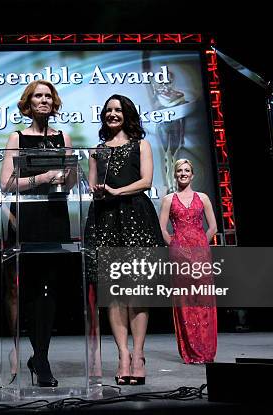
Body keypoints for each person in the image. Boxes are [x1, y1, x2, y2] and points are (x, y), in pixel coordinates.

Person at [86, 94, 165, 385]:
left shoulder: (140, 144)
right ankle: (122, 355)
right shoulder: (97, 149)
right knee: (115, 292)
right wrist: (97, 191)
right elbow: (93, 185)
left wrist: (118, 192)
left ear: (127, 114)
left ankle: (139, 354)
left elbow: (146, 181)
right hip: (105, 218)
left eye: (117, 110)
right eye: (108, 110)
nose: (112, 114)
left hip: (136, 216)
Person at [0, 80, 73, 387]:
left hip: (56, 216)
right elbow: (5, 184)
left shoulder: (63, 136)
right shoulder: (16, 137)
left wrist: (69, 176)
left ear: (53, 103)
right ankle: (36, 357)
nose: (43, 100)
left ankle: (40, 357)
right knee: (29, 290)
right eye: (38, 96)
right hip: (26, 219)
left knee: (49, 289)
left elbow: (69, 184)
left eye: (48, 96)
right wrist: (42, 177)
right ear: (28, 103)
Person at [158, 158, 218, 364]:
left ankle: (207, 351)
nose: (183, 173)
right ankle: (191, 352)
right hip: (179, 257)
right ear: (175, 175)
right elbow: (162, 229)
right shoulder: (168, 199)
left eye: (187, 170)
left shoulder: (203, 198)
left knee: (204, 302)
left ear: (192, 175)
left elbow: (213, 227)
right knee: (185, 303)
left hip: (201, 257)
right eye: (179, 171)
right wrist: (175, 246)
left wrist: (201, 245)